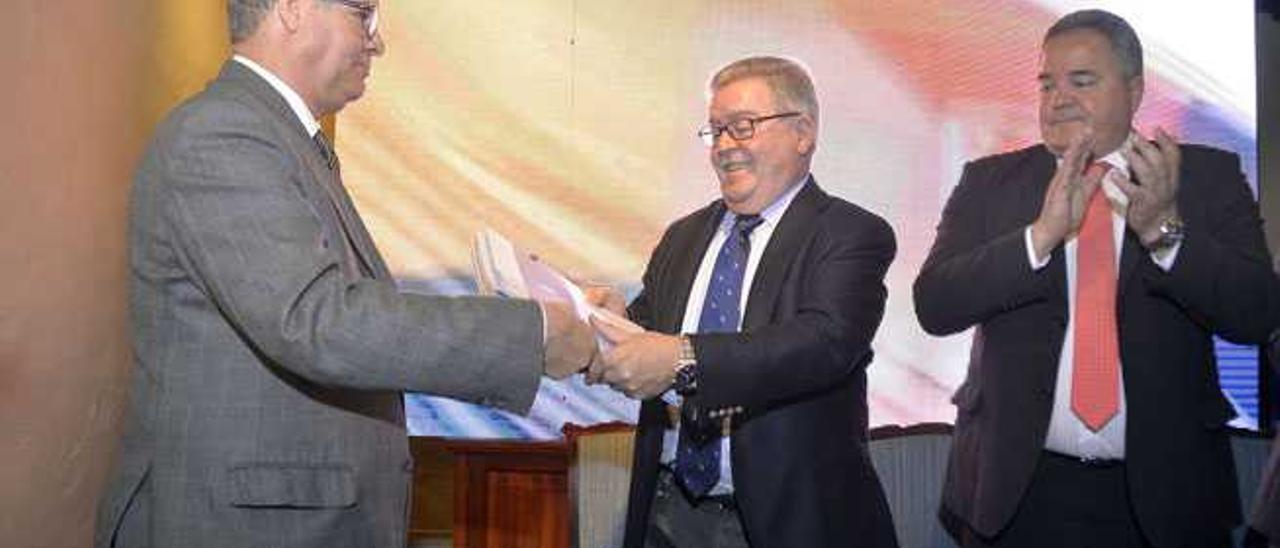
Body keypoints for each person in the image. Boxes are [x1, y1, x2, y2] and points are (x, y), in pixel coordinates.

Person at [94, 1, 596, 546]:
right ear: (291, 9)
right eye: (363, 13)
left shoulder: (285, 141)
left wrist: (566, 314)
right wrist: (534, 335)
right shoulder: (222, 133)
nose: (376, 42)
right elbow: (319, 322)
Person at [914, 9, 1278, 548]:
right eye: (1047, 83)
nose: (1058, 98)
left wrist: (1163, 235)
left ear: (1134, 90)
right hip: (1014, 495)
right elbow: (935, 306)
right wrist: (1037, 239)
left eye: (1081, 81)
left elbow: (1257, 314)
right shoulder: (990, 181)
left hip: (1164, 500)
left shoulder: (1205, 177)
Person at [587, 56, 899, 548]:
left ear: (803, 132)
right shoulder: (684, 236)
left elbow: (825, 343)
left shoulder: (851, 234)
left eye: (743, 127)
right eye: (716, 131)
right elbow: (652, 333)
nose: (725, 147)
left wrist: (683, 360)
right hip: (666, 510)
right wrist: (615, 321)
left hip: (790, 522)